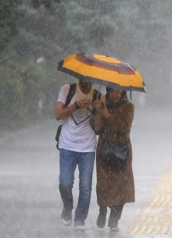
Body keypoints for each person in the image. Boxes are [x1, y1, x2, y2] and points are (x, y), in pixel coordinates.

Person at [54, 79, 102, 230]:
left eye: (90, 82)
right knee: (65, 182)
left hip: (87, 148)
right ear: (80, 78)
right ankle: (68, 206)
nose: (87, 85)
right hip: (67, 145)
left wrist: (97, 110)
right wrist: (76, 106)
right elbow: (58, 114)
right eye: (84, 81)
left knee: (85, 187)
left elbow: (99, 128)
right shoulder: (67, 90)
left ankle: (80, 219)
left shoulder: (98, 96)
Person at [91, 87, 135, 232]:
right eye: (111, 91)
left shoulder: (128, 106)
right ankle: (102, 210)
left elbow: (124, 127)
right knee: (103, 183)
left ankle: (114, 219)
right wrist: (97, 111)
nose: (114, 94)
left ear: (123, 92)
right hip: (104, 149)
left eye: (118, 91)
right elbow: (96, 129)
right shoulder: (102, 102)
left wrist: (108, 115)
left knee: (121, 186)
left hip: (122, 150)